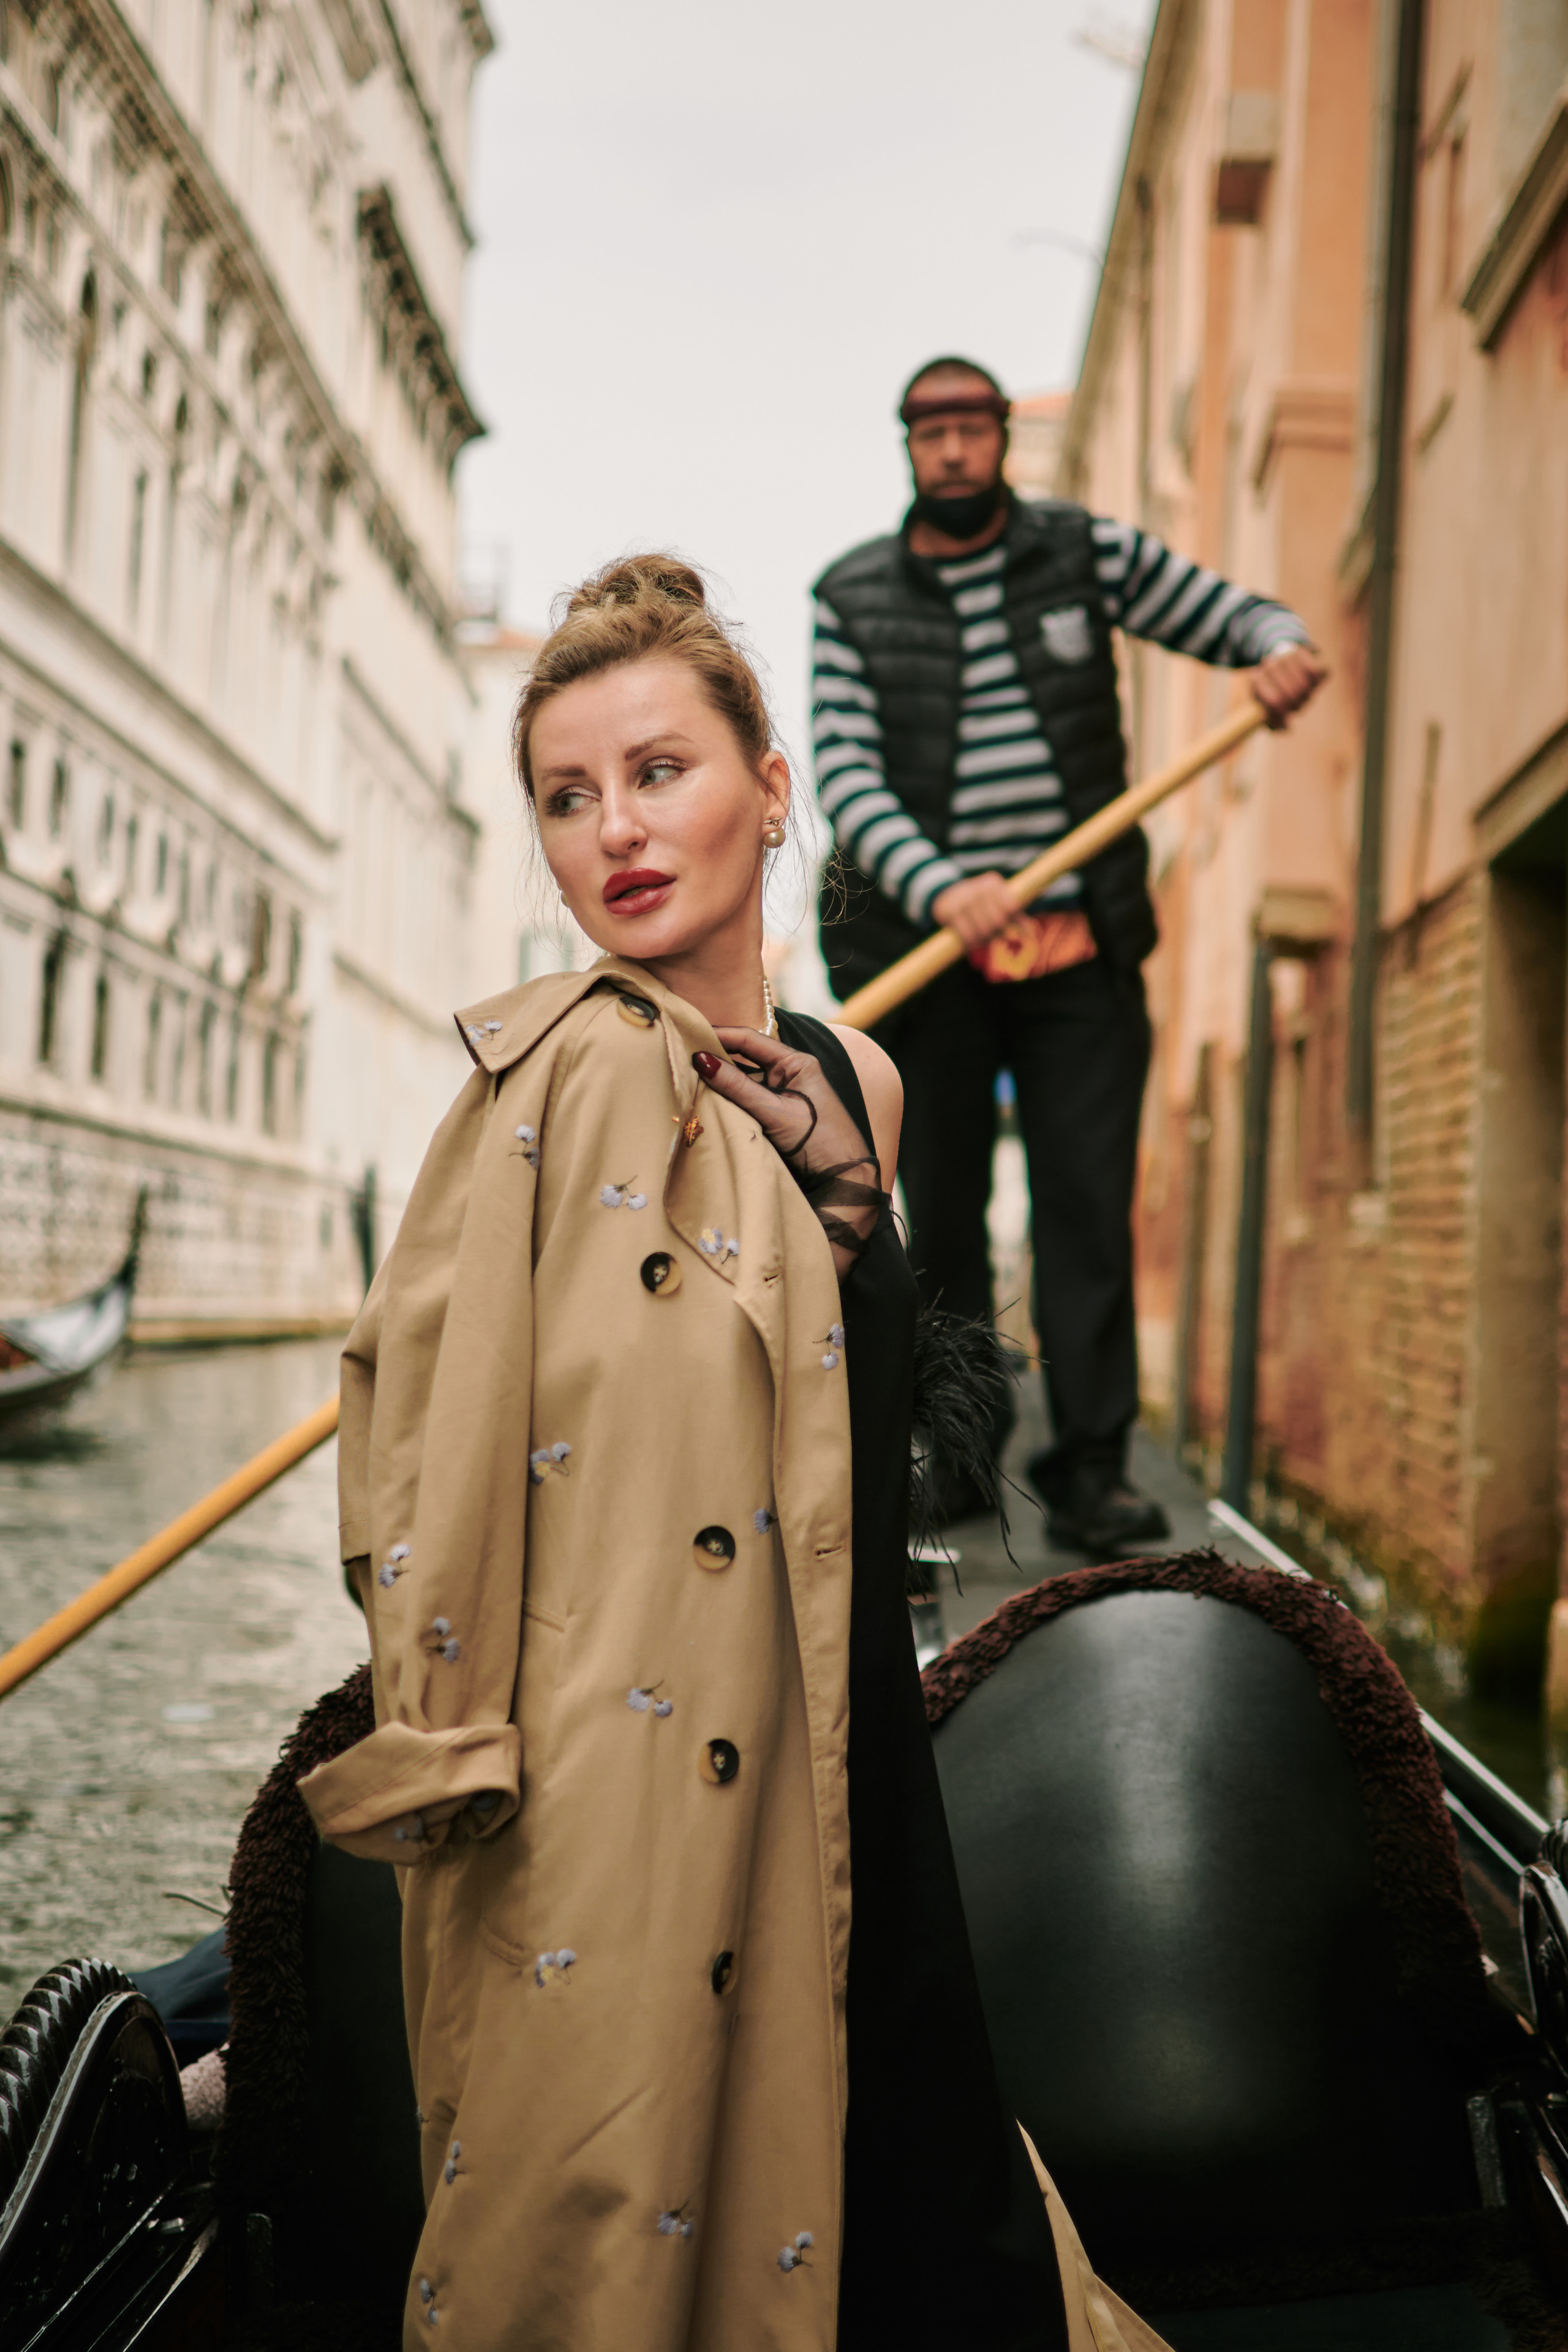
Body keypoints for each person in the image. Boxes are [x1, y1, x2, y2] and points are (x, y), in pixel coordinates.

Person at [296, 556, 1171, 2352]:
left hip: (841, 1733)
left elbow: (919, 1464)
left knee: (922, 2227)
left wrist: (853, 1223)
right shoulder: (549, 1082)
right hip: (616, 1774)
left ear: (775, 793)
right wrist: (446, 1724)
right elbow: (417, 1446)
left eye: (660, 770)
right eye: (566, 794)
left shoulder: (867, 1078)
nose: (613, 828)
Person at [812, 357, 1325, 1553]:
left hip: (1079, 958)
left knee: (1084, 1211)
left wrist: (1278, 640)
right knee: (935, 1218)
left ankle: (1091, 1472)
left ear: (997, 440)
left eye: (969, 429)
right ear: (907, 449)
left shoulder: (1079, 551)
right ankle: (955, 1459)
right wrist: (944, 888)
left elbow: (1216, 609)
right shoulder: (849, 597)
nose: (950, 450)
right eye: (929, 432)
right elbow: (844, 771)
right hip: (929, 961)